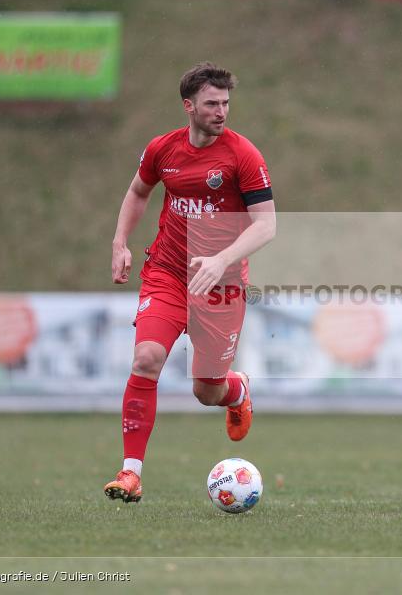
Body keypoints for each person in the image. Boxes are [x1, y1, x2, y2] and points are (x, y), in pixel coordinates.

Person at [104, 62, 276, 503]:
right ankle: (130, 474)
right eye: (212, 104)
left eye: (226, 103)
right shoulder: (163, 149)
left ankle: (236, 390)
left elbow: (265, 225)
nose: (221, 112)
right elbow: (138, 192)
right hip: (167, 272)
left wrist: (221, 260)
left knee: (206, 391)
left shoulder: (243, 156)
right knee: (146, 358)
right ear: (189, 106)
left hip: (221, 285)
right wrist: (120, 242)